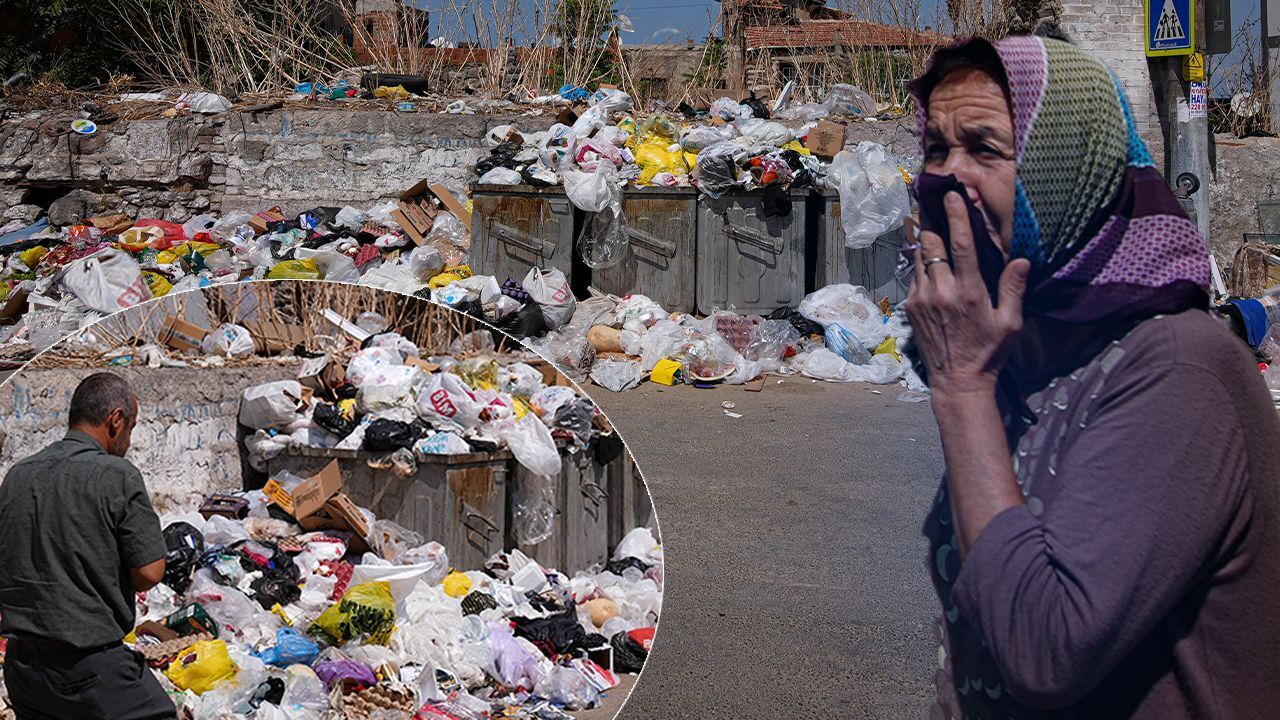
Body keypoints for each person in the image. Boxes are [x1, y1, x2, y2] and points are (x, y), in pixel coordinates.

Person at [904, 35, 1280, 718]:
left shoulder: (1176, 369)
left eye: (985, 149)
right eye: (937, 147)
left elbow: (1045, 648)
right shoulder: (1026, 353)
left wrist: (961, 391)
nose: (946, 177)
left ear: (1066, 168)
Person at [0, 373, 175, 719]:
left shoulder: (17, 475)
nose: (128, 438)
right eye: (132, 426)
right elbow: (149, 572)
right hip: (89, 669)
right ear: (116, 419)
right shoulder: (116, 475)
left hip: (22, 669)